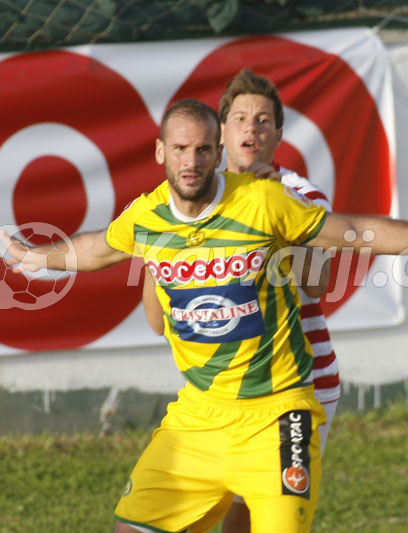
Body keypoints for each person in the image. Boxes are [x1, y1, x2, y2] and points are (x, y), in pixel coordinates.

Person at [1, 98, 408, 533]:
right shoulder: (147, 216)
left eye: (203, 149)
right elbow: (97, 248)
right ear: (161, 151)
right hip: (198, 418)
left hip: (278, 418)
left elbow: (356, 232)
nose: (192, 161)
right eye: (181, 149)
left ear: (218, 153)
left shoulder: (264, 201)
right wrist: (36, 257)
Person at [140, 69, 340, 533]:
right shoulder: (188, 201)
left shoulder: (300, 194)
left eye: (264, 120)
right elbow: (156, 321)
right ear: (220, 134)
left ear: (279, 135)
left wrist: (275, 205)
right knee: (224, 507)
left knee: (255, 509)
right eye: (240, 118)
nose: (252, 129)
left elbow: (317, 284)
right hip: (225, 392)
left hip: (298, 383)